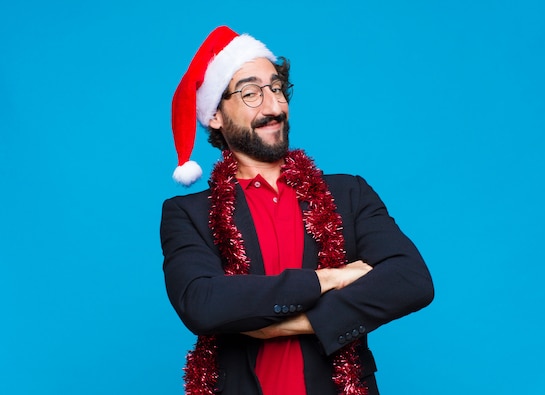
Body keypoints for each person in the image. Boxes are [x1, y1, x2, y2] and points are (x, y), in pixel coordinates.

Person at [160, 25, 434, 395]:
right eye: (251, 93)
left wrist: (297, 324)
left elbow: (411, 280)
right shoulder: (189, 214)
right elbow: (204, 304)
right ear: (215, 116)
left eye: (276, 88)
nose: (274, 106)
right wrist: (329, 278)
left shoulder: (347, 193)